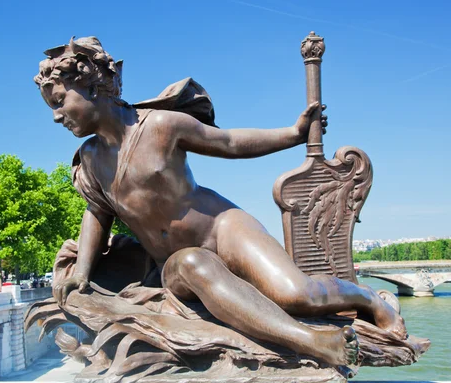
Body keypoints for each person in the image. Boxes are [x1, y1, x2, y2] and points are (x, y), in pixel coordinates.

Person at [36, 37, 407, 367]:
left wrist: (293, 134)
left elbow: (229, 143)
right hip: (175, 262)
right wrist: (82, 272)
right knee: (193, 262)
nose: (56, 116)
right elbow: (96, 214)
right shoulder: (89, 158)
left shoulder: (161, 125)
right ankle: (312, 341)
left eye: (59, 100)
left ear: (91, 84)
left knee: (298, 294)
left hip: (223, 226)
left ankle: (369, 298)